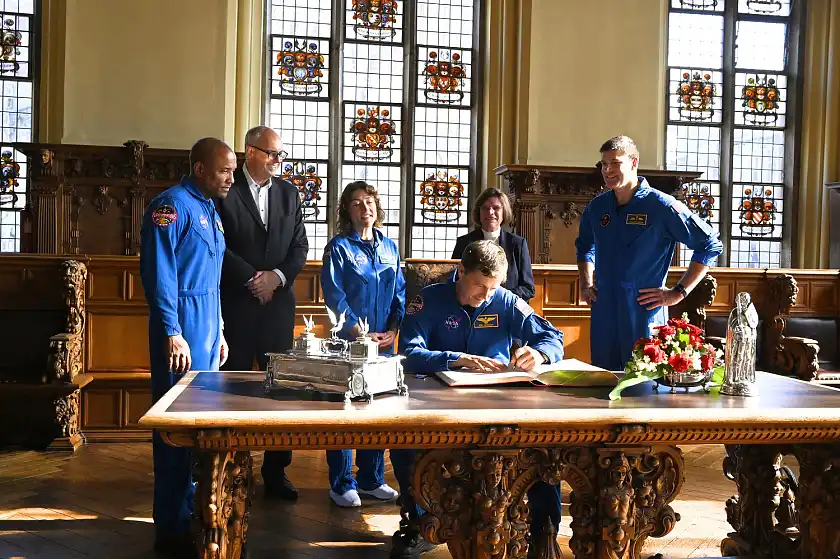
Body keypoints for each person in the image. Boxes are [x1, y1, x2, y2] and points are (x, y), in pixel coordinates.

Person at [390, 240, 565, 558]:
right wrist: (455, 358)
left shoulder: (506, 301)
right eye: (480, 286)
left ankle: (545, 531)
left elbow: (553, 337)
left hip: (496, 405)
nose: (486, 295)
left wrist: (539, 353)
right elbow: (408, 353)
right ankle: (422, 524)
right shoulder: (429, 300)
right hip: (438, 404)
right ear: (461, 272)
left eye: (493, 288)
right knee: (404, 443)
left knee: (543, 448)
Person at [140, 137, 235, 558]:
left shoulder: (210, 209)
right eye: (224, 170)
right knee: (175, 430)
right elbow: (160, 275)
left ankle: (196, 511)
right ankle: (172, 527)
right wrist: (171, 330)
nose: (230, 178)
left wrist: (220, 330)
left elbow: (211, 279)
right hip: (181, 327)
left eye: (232, 171)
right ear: (199, 168)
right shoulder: (171, 207)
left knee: (200, 428)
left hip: (208, 328)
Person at [215, 125, 308, 501]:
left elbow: (299, 246)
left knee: (280, 388)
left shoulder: (289, 193)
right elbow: (218, 244)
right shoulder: (227, 189)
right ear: (250, 152)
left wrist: (277, 278)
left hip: (278, 305)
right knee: (232, 385)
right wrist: (253, 279)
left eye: (281, 154)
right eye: (272, 153)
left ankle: (276, 470)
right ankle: (231, 467)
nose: (278, 160)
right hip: (237, 302)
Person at [575, 135, 723, 370]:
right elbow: (584, 246)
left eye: (615, 163)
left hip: (643, 312)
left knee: (643, 381)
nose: (607, 170)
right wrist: (586, 284)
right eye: (604, 164)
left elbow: (710, 245)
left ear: (634, 163)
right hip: (604, 312)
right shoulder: (597, 207)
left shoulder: (661, 206)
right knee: (603, 381)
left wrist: (678, 292)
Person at [320, 181, 405, 507]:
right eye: (356, 202)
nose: (364, 207)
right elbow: (334, 296)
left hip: (384, 343)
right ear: (347, 210)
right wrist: (358, 332)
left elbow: (399, 292)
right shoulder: (339, 248)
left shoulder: (390, 248)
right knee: (344, 411)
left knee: (376, 410)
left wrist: (394, 329)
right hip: (349, 343)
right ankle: (341, 484)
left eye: (369, 201)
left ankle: (371, 479)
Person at [451, 187, 535, 301]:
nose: (490, 212)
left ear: (504, 211)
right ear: (479, 212)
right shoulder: (464, 243)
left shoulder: (518, 244)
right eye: (485, 208)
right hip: (471, 306)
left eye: (496, 208)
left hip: (505, 307)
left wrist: (497, 297)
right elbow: (454, 281)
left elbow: (528, 289)